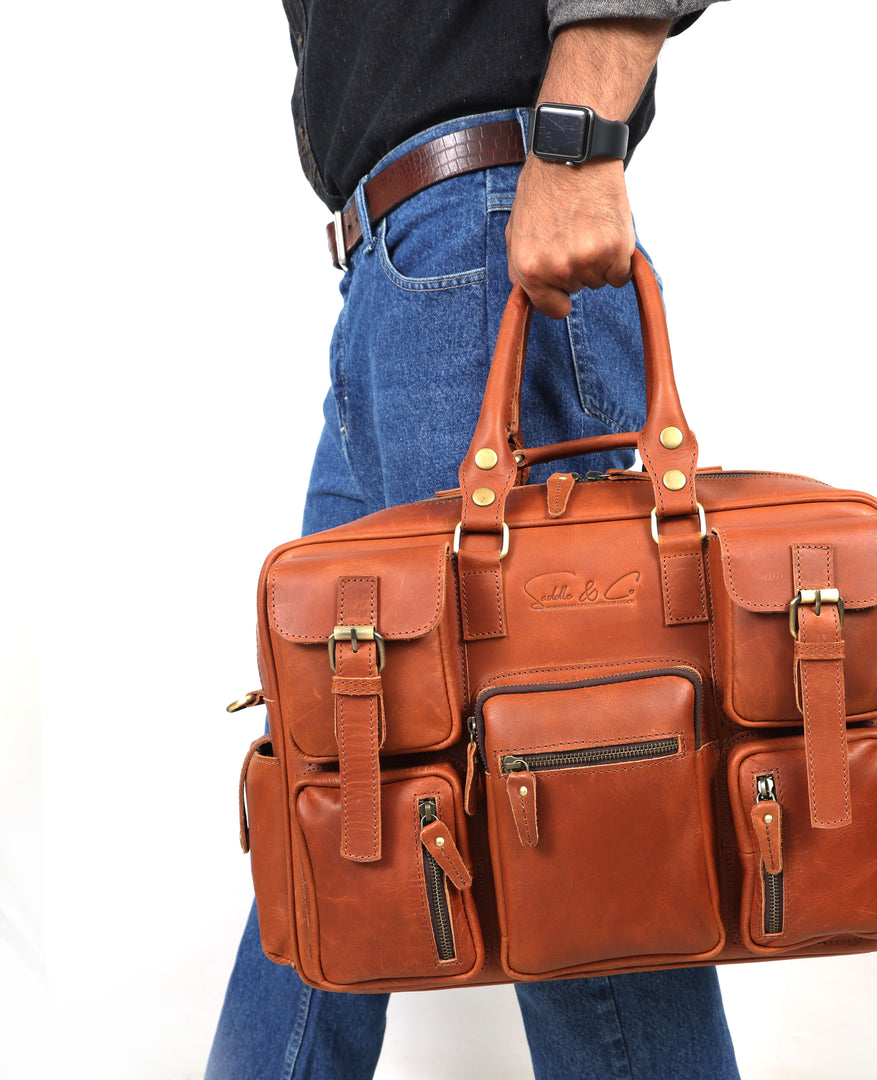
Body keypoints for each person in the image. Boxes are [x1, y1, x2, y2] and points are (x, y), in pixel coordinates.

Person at [207, 3, 740, 1077]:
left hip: (484, 231)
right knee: (340, 798)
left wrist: (579, 129)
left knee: (581, 804)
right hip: (396, 273)